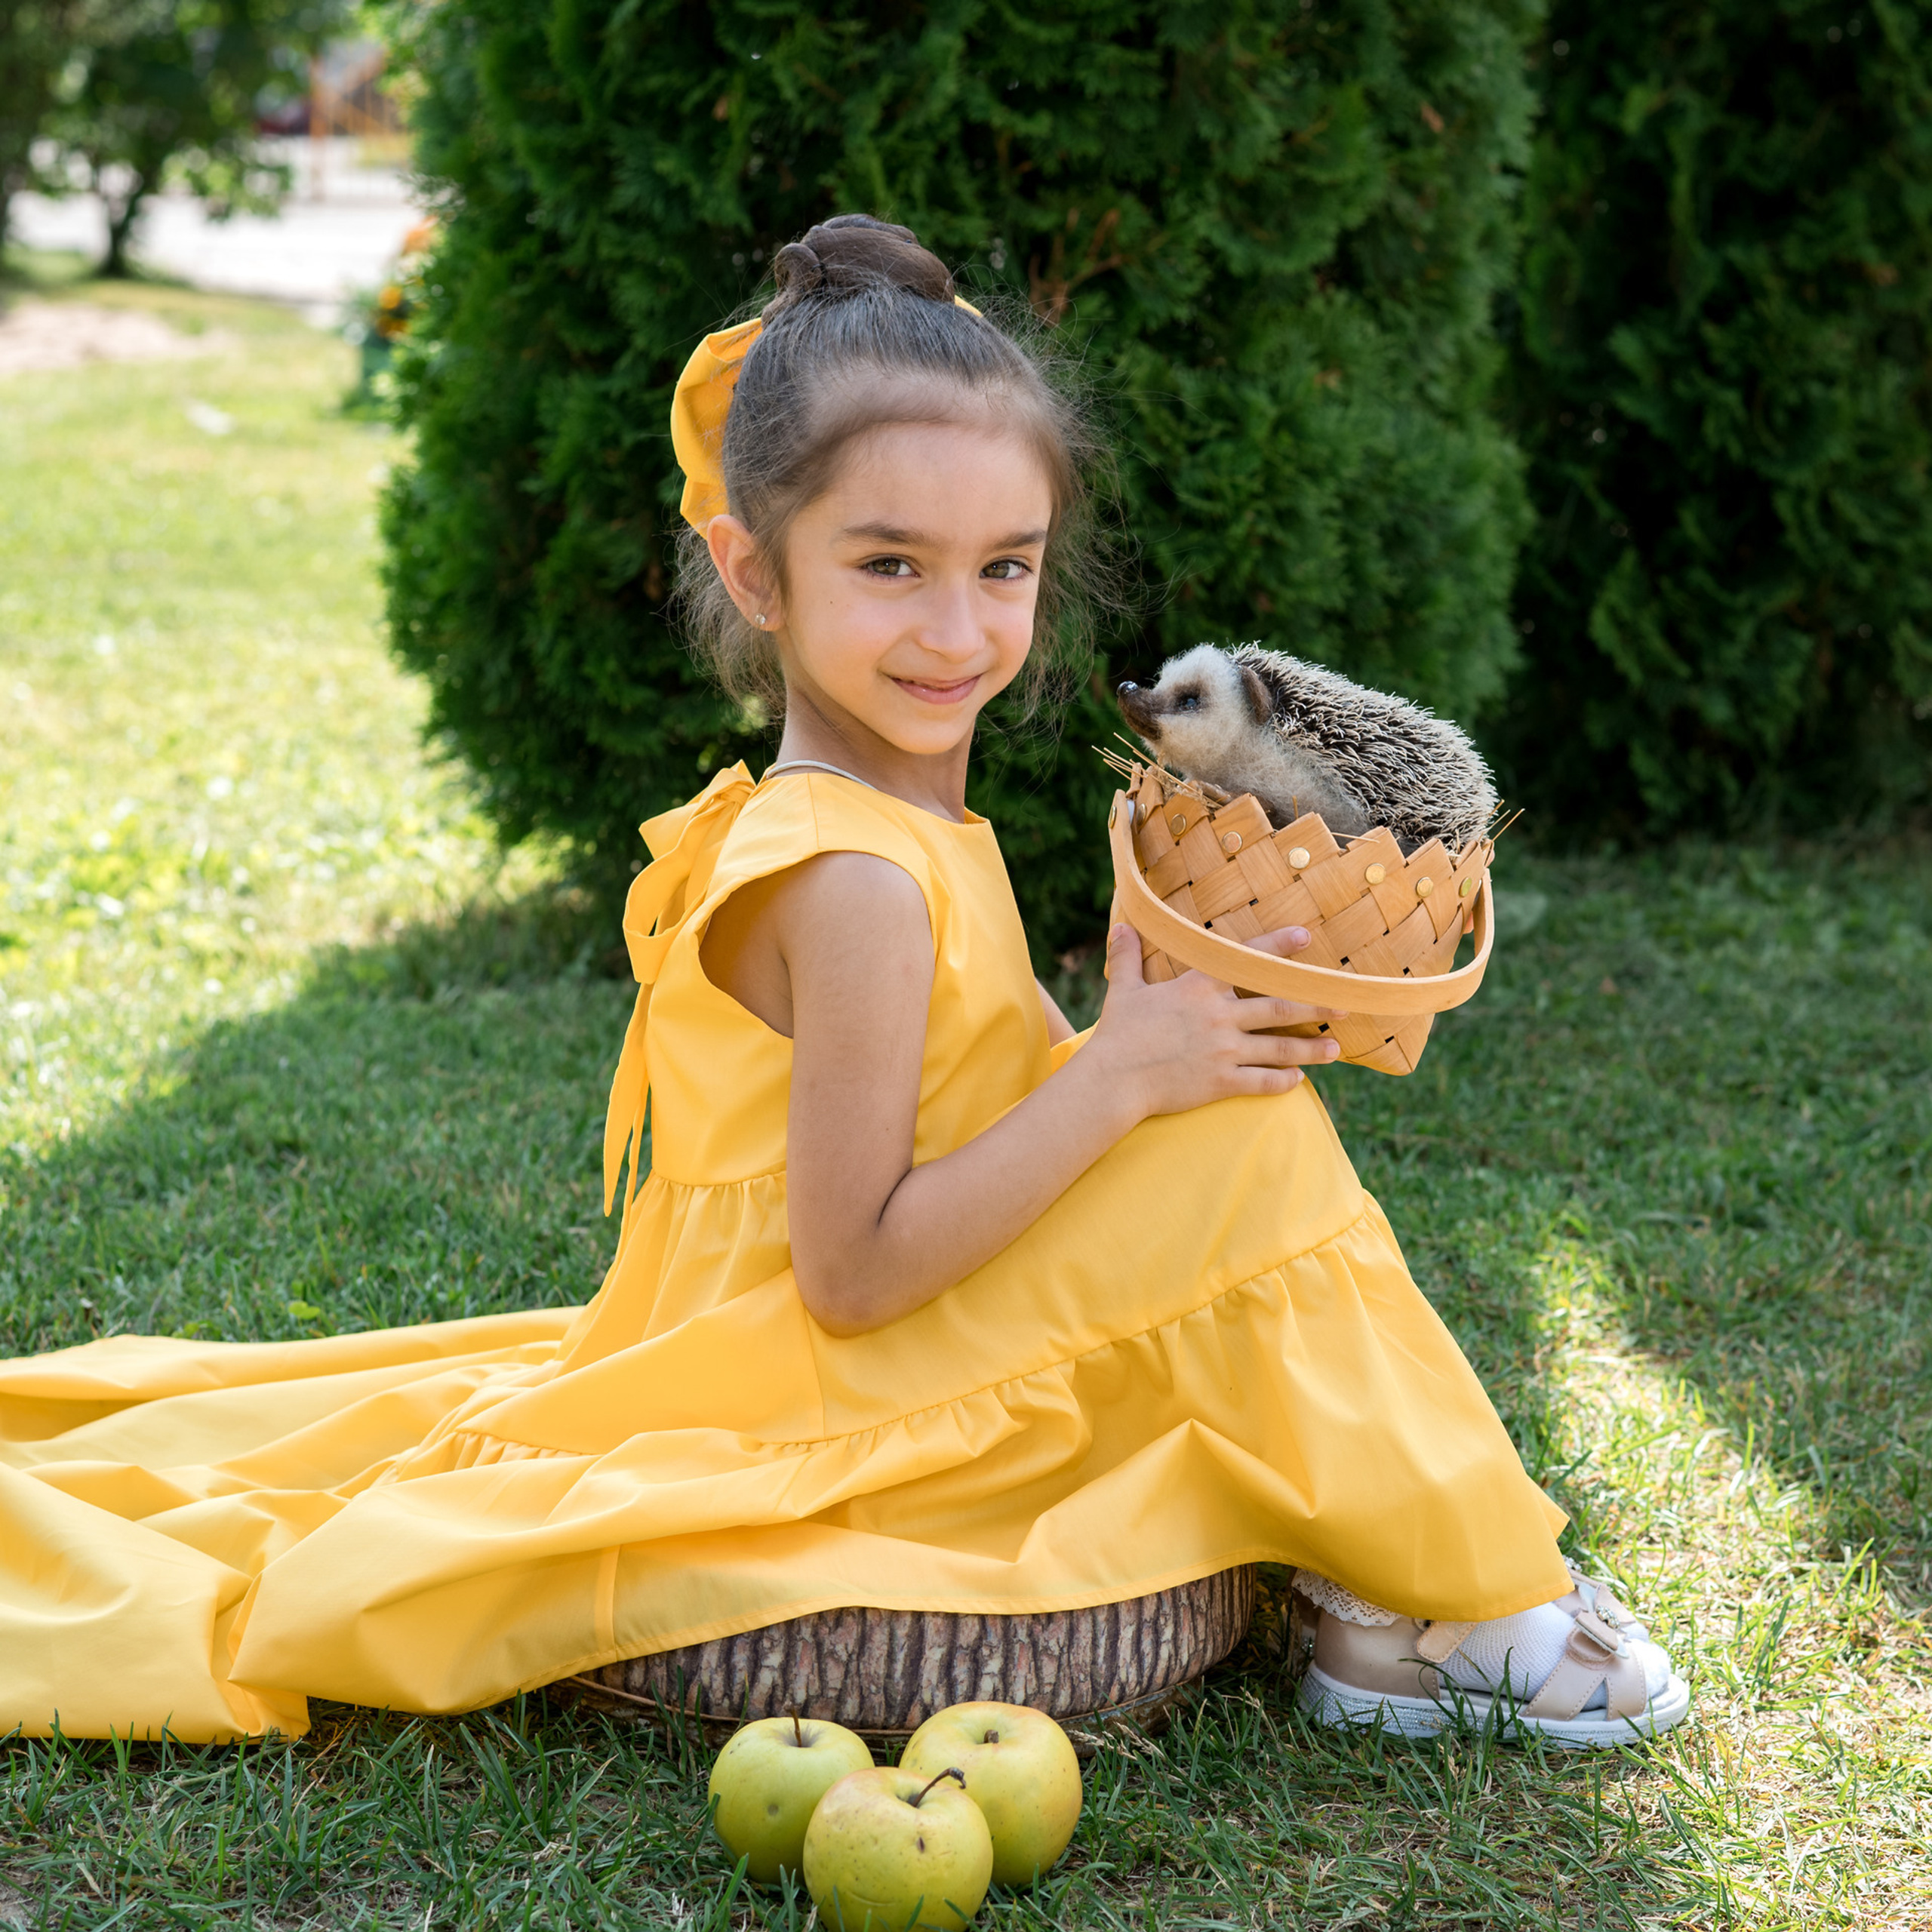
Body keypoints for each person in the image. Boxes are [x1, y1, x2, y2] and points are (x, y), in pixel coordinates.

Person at [0, 214, 1687, 1749]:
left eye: (1002, 567)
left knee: (1219, 1107)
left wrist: (1121, 1036)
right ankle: (1462, 1602)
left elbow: (961, 1110)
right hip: (806, 1373)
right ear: (756, 571)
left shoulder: (894, 815)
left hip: (841, 1320)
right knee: (1233, 1142)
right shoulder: (858, 876)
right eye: (889, 565)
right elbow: (858, 1272)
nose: (956, 627)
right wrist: (1118, 1076)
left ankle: (1405, 1583)